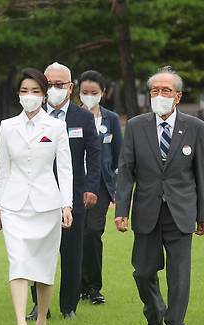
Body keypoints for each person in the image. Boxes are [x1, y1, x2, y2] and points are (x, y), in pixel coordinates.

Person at [115, 66, 204, 325]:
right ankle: (155, 315)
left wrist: (203, 215)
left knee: (179, 277)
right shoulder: (136, 126)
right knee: (143, 271)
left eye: (166, 91)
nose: (160, 95)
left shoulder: (196, 128)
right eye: (155, 90)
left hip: (181, 212)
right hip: (146, 210)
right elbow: (126, 170)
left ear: (178, 96)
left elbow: (202, 174)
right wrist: (121, 210)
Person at [0, 68, 73, 325]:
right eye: (25, 91)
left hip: (47, 205)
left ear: (45, 95)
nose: (30, 96)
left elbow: (64, 168)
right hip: (15, 205)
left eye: (36, 91)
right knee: (17, 262)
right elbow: (3, 168)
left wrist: (66, 204)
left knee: (43, 265)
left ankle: (41, 321)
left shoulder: (56, 127)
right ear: (18, 94)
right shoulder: (6, 126)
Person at [27, 62, 101, 321]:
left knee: (71, 254)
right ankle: (39, 306)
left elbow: (94, 154)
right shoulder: (33, 115)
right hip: (39, 195)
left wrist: (92, 187)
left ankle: (69, 306)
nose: (54, 89)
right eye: (49, 84)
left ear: (70, 88)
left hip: (73, 195)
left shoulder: (82, 117)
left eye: (60, 85)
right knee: (37, 253)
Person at [78, 70, 123, 305]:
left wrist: (113, 183)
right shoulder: (72, 118)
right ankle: (77, 285)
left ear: (102, 93)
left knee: (94, 232)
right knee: (77, 234)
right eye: (84, 92)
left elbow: (118, 156)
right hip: (75, 184)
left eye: (93, 93)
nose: (89, 96)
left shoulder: (111, 119)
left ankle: (94, 287)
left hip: (101, 185)